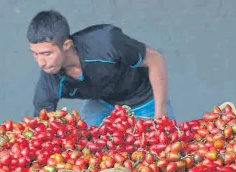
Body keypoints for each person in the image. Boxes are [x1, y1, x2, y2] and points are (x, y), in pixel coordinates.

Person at [26, 10, 175, 126]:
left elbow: (156, 60)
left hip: (144, 99)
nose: (41, 62)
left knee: (161, 151)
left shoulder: (106, 43)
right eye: (35, 54)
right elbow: (40, 127)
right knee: (89, 151)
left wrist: (160, 113)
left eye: (46, 54)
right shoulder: (49, 80)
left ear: (66, 45)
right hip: (102, 104)